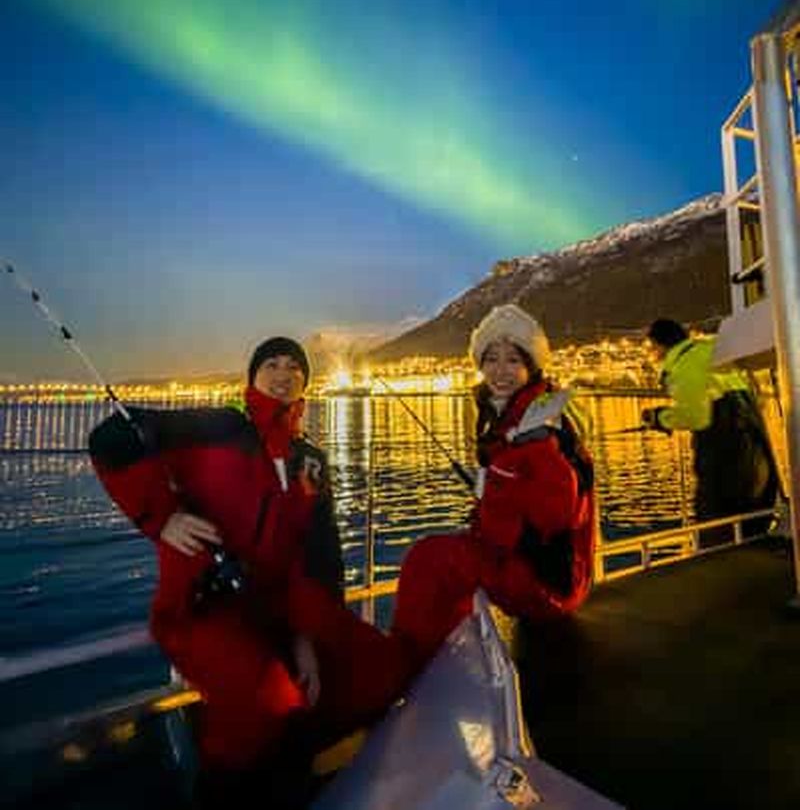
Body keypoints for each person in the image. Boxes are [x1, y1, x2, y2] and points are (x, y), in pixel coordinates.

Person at [89, 336, 408, 807]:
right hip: (203, 607)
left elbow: (320, 556)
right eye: (272, 364)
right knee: (269, 699)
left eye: (295, 367)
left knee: (382, 669)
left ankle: (299, 766)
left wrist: (305, 639)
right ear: (252, 377)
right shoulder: (216, 427)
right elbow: (111, 439)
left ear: (305, 383)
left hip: (278, 610)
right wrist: (160, 518)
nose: (283, 374)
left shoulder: (310, 462)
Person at [391, 304, 595, 670]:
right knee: (449, 553)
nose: (501, 371)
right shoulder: (514, 416)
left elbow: (557, 516)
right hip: (546, 573)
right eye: (492, 359)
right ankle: (434, 654)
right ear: (480, 365)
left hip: (547, 586)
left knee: (428, 558)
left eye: (513, 360)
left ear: (530, 365)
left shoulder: (540, 428)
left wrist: (494, 503)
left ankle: (405, 664)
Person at [642, 318, 781, 541]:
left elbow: (696, 417)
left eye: (651, 348)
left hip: (726, 466)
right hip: (756, 455)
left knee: (717, 536)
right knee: (752, 530)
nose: (652, 354)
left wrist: (659, 417)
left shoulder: (683, 365)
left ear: (660, 345)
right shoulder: (711, 351)